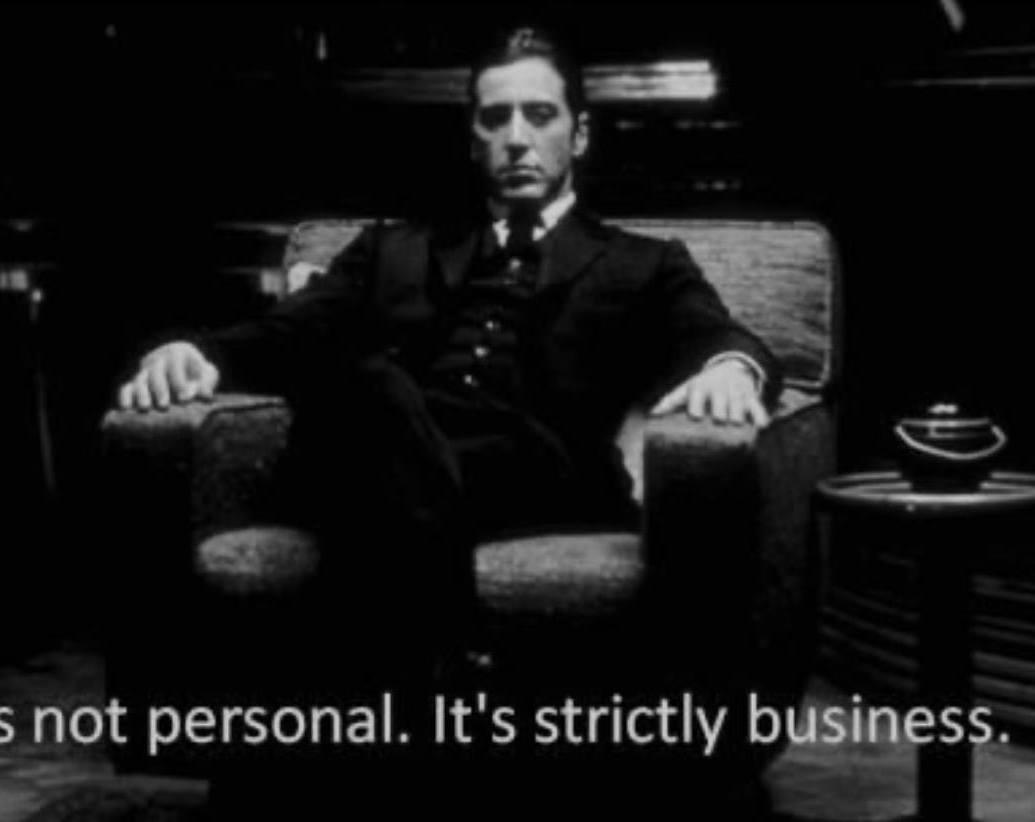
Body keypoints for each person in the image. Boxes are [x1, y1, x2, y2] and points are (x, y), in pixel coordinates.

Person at [117, 25, 780, 692]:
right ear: (472, 139)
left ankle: (403, 690)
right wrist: (195, 352)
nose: (516, 137)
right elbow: (288, 332)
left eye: (539, 114)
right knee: (366, 388)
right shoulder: (388, 250)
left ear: (579, 134)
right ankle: (444, 672)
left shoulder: (644, 262)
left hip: (536, 482)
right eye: (495, 118)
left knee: (370, 395)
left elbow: (721, 337)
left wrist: (730, 369)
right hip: (376, 451)